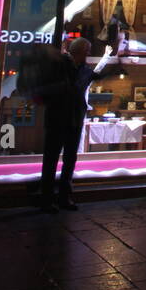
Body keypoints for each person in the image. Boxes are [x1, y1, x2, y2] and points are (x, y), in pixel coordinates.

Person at [35, 36, 102, 213]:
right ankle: (47, 199)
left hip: (74, 119)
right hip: (58, 118)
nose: (88, 54)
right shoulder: (60, 65)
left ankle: (64, 197)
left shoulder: (83, 69)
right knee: (51, 160)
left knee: (69, 160)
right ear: (80, 51)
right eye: (87, 51)